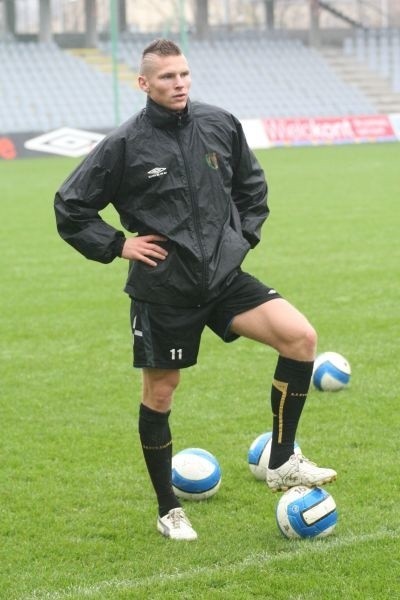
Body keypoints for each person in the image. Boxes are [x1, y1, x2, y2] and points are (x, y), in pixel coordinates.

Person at [54, 38, 336, 542]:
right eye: (166, 77)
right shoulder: (124, 144)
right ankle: (169, 509)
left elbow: (252, 187)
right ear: (144, 83)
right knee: (161, 393)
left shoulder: (220, 123)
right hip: (165, 288)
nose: (178, 83)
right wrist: (118, 245)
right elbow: (70, 206)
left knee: (300, 338)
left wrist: (242, 239)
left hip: (224, 279)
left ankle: (283, 460)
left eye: (183, 74)